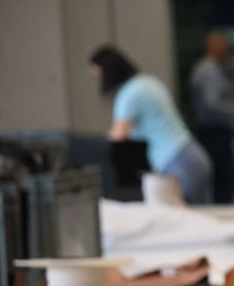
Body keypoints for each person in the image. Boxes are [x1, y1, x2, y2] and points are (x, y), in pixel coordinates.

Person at [89, 45, 215, 206]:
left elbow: (118, 136)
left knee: (182, 217)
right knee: (200, 215)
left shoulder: (129, 94)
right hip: (194, 156)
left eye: (98, 75)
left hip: (176, 163)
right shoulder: (149, 82)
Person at [188, 31, 234, 203]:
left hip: (211, 131)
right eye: (224, 47)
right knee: (225, 180)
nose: (226, 51)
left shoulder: (205, 68)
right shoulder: (209, 70)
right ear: (214, 47)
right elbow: (212, 104)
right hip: (214, 131)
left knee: (222, 180)